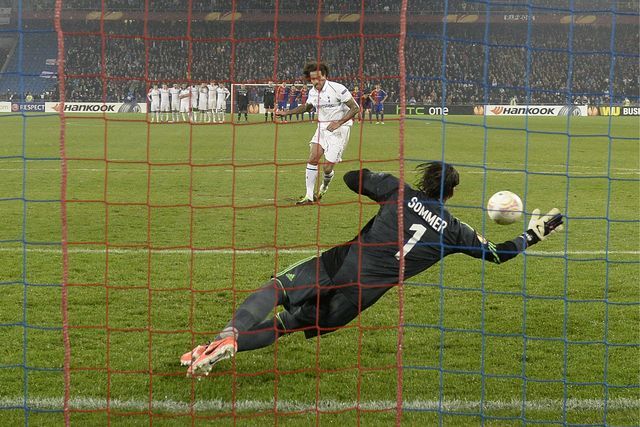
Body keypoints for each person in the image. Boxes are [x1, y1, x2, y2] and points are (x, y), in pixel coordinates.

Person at [180, 162, 564, 376]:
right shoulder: (455, 231)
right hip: (360, 297)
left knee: (277, 288)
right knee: (288, 324)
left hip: (339, 264)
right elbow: (497, 255)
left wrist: (376, 180)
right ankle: (218, 351)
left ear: (424, 180)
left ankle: (226, 337)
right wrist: (533, 235)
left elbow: (352, 179)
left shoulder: (400, 191)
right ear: (451, 195)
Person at [275, 62, 360, 205]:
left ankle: (324, 186)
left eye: (318, 78)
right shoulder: (313, 92)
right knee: (313, 158)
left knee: (327, 168)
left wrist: (339, 122)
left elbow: (355, 108)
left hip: (340, 131)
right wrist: (287, 113)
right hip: (322, 128)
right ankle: (309, 196)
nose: (315, 81)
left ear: (325, 76)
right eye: (313, 79)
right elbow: (307, 107)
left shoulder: (338, 89)